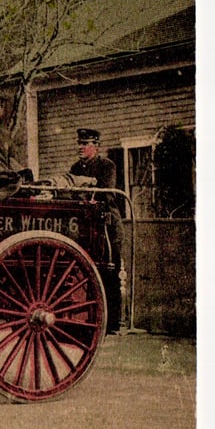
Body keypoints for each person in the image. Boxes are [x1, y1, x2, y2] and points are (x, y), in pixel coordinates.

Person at [69, 128, 124, 334]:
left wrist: (91, 198)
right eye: (80, 143)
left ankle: (113, 323)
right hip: (87, 225)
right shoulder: (75, 167)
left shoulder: (106, 166)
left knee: (110, 271)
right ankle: (92, 320)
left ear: (96, 146)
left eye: (85, 143)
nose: (81, 147)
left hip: (107, 225)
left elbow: (107, 194)